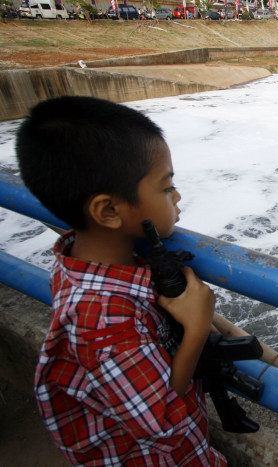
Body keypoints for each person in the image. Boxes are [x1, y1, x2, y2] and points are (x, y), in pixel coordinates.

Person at [15, 96, 227, 466]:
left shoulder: (78, 260)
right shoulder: (102, 319)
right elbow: (160, 423)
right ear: (109, 211)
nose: (177, 196)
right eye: (165, 187)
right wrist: (196, 328)